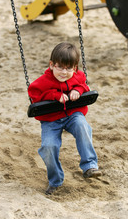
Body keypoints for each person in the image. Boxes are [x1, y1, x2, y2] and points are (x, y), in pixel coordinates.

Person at [28, 42, 101, 195]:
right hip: (50, 119)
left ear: (75, 68)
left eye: (68, 68)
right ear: (51, 65)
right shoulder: (42, 82)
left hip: (73, 114)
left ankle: (89, 166)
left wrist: (78, 90)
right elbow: (34, 95)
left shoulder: (78, 75)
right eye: (60, 67)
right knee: (48, 147)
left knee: (83, 126)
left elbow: (83, 86)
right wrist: (54, 96)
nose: (63, 72)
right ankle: (55, 181)